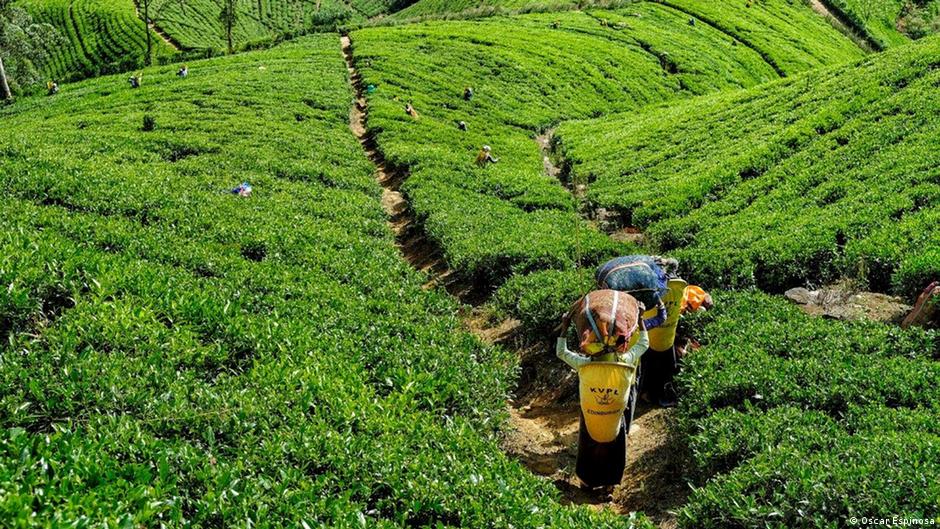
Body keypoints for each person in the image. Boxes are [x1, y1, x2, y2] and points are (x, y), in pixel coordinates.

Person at [557, 289, 649, 488]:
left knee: (589, 443)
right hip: (615, 412)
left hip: (590, 411)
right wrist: (640, 318)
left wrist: (564, 327)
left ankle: (587, 481)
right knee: (615, 445)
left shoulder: (584, 364)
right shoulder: (624, 360)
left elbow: (561, 352)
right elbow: (644, 343)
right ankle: (610, 484)